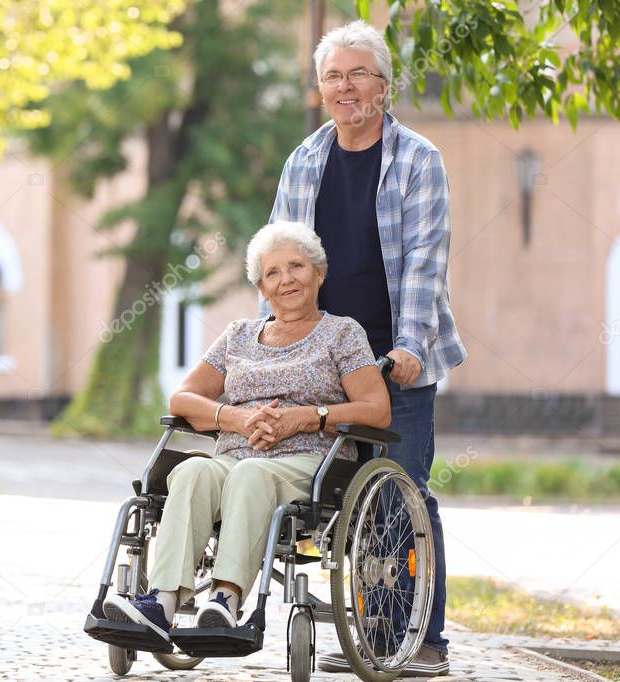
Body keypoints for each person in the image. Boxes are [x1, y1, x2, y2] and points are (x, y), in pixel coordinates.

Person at [261, 20, 466, 677]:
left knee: (400, 491)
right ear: (319, 89)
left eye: (358, 74)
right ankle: (367, 630)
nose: (344, 87)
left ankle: (421, 638)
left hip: (391, 358)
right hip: (320, 359)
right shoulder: (304, 161)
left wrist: (407, 345)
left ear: (383, 86)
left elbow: (422, 268)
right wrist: (263, 352)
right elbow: (279, 262)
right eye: (332, 76)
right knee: (329, 499)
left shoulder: (417, 160)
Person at [102, 221, 391, 642]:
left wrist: (307, 416)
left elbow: (377, 409)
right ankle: (161, 603)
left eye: (296, 266)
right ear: (261, 287)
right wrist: (235, 418)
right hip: (235, 453)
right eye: (272, 273)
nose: (286, 279)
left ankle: (225, 599)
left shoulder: (342, 333)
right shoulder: (237, 335)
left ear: (318, 273)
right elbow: (182, 399)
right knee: (193, 472)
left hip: (310, 462)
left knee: (251, 474)